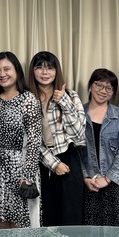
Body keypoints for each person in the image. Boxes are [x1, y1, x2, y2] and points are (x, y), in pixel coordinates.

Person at [0, 52, 41, 228]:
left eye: (7, 69)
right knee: (1, 222)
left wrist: (27, 176)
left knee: (19, 223)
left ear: (17, 71)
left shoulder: (28, 99)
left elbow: (35, 141)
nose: (2, 74)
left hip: (16, 169)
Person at [27, 51, 86, 226]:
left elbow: (79, 136)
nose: (45, 73)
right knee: (47, 220)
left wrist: (64, 102)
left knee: (71, 218)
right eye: (40, 67)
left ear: (56, 71)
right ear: (33, 71)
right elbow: (29, 140)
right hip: (40, 163)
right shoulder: (28, 98)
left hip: (68, 158)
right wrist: (53, 164)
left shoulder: (71, 95)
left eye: (50, 68)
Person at [81, 68, 119, 227]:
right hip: (91, 184)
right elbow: (75, 150)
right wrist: (86, 177)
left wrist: (108, 179)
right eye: (99, 85)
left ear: (113, 92)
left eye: (108, 88)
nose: (103, 91)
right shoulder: (78, 114)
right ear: (90, 86)